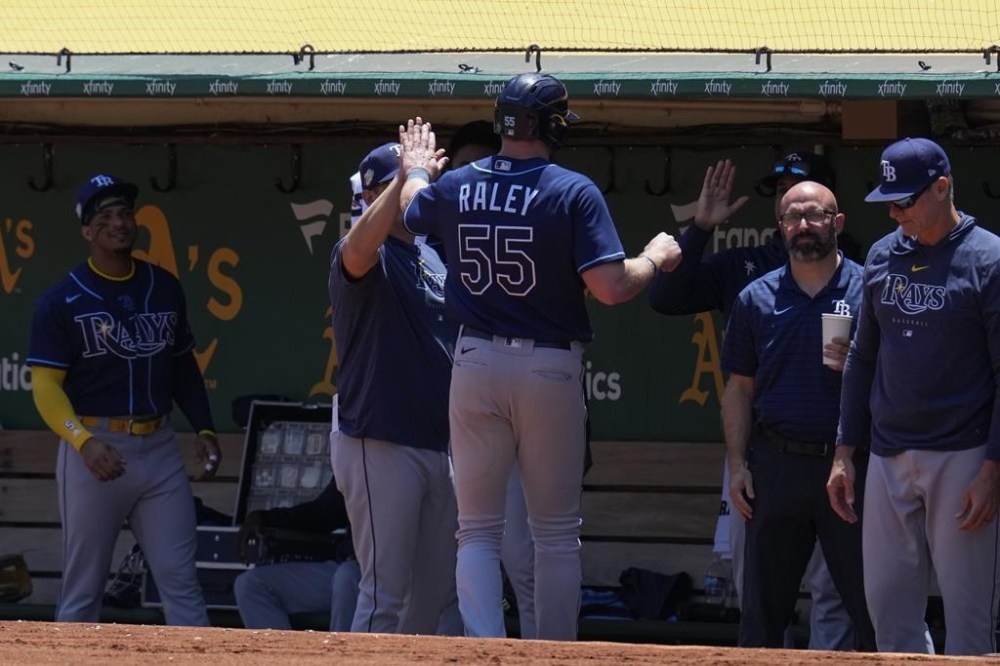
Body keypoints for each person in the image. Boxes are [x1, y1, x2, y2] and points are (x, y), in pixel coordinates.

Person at [399, 72, 682, 640]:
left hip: (474, 360)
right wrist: (654, 257)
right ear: (548, 124)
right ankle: (554, 653)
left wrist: (417, 168)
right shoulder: (570, 188)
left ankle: (485, 648)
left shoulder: (458, 186)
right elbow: (610, 287)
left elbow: (410, 211)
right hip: (547, 365)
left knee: (476, 530)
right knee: (553, 532)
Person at [648, 151, 857, 649]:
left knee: (841, 594)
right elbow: (666, 298)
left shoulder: (862, 273)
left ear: (834, 213)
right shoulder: (749, 269)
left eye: (809, 198)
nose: (800, 218)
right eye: (787, 201)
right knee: (762, 598)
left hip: (845, 455)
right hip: (769, 454)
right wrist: (699, 227)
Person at [828, 137, 1000, 656]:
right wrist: (843, 451)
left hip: (963, 454)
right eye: (889, 202)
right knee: (889, 616)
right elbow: (861, 357)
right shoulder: (883, 254)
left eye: (905, 201)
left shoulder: (988, 258)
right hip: (887, 452)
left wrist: (993, 468)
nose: (895, 213)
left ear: (942, 187)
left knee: (969, 622)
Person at [26, 173, 221, 625]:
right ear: (87, 232)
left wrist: (204, 427)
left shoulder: (163, 286)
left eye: (125, 213)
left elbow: (182, 365)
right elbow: (45, 386)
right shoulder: (61, 301)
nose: (119, 223)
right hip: (95, 445)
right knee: (84, 589)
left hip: (158, 449)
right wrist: (82, 442)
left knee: (181, 582)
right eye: (106, 217)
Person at [721, 180, 875, 650]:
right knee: (763, 615)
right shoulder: (755, 298)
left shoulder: (871, 289)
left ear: (838, 223)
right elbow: (738, 388)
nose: (803, 225)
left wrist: (864, 357)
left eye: (815, 215)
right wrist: (738, 464)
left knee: (870, 606)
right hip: (777, 464)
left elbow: (903, 375)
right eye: (793, 217)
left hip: (852, 465)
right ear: (780, 227)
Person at [328, 141, 461, 635]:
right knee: (384, 594)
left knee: (430, 599)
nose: (424, 189)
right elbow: (357, 250)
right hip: (380, 438)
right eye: (409, 181)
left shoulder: (429, 256)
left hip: (439, 443)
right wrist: (403, 177)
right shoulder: (367, 250)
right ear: (379, 193)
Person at [443, 118, 537, 639]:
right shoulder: (426, 241)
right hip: (454, 425)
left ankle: (541, 652)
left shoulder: (528, 229)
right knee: (464, 551)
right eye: (461, 171)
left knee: (524, 556)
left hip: (515, 419)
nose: (473, 182)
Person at [233, 478, 361, 631]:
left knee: (346, 575)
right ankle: (277, 654)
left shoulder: (394, 467)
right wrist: (265, 518)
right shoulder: (355, 464)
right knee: (250, 584)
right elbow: (322, 514)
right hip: (343, 569)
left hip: (378, 576)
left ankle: (342, 653)